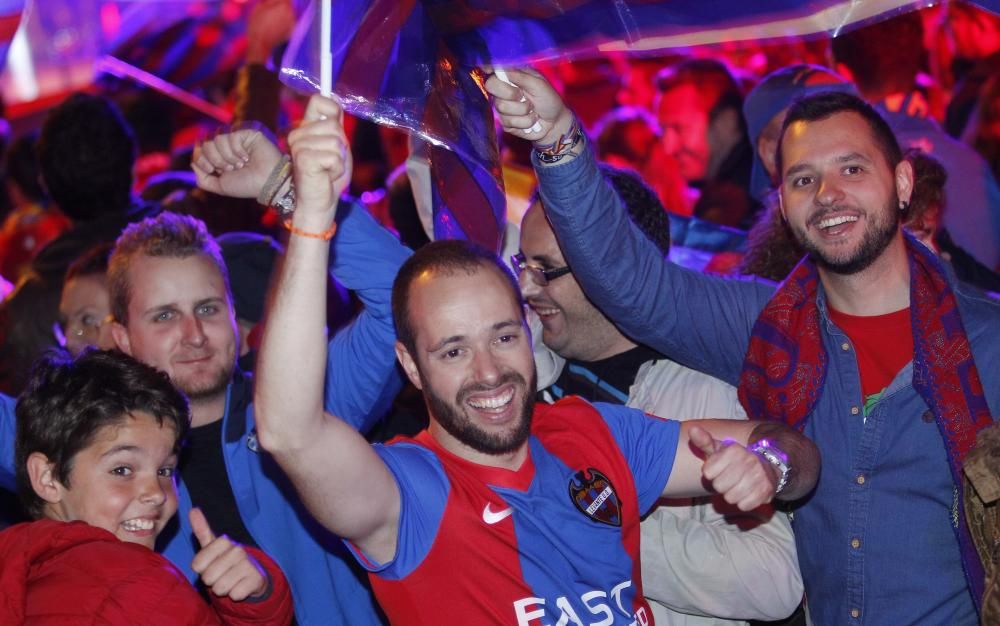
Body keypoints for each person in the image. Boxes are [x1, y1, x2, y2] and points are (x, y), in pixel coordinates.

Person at [252, 95, 820, 625]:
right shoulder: (410, 495)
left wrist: (770, 464)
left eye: (502, 337)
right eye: (453, 350)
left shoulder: (593, 432)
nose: (488, 371)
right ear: (410, 365)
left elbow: (792, 450)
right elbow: (288, 432)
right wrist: (310, 222)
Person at [487, 69, 1000, 625]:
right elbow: (630, 280)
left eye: (852, 169)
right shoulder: (767, 324)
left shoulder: (987, 343)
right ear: (782, 204)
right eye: (803, 180)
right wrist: (560, 140)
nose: (829, 194)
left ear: (902, 183)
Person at [519, 167, 803, 625]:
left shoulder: (705, 388)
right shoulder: (519, 368)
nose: (527, 288)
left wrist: (595, 528)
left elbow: (774, 582)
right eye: (522, 266)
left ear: (611, 268)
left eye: (545, 270)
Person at [0, 349, 293, 624]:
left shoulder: (23, 573)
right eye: (122, 469)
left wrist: (251, 602)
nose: (155, 493)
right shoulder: (138, 586)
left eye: (165, 470)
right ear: (47, 478)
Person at [654, 58, 760, 228]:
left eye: (679, 128)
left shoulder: (732, 204)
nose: (669, 147)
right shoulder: (747, 185)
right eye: (663, 130)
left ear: (726, 123)